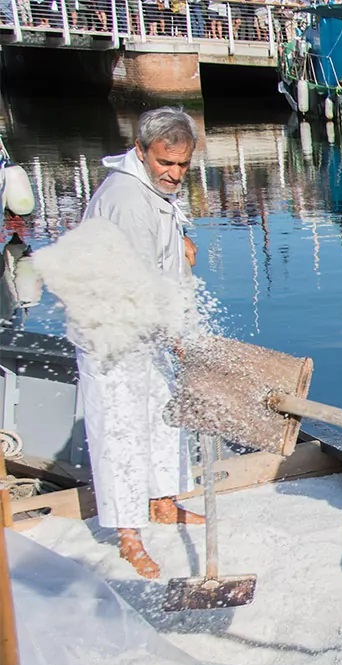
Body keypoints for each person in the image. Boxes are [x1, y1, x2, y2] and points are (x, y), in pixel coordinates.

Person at [78, 107, 204, 578]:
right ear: (141, 152)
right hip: (112, 332)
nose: (174, 174)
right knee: (121, 427)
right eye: (165, 164)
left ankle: (163, 502)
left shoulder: (154, 191)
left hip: (146, 329)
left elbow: (161, 241)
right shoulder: (127, 199)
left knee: (161, 413)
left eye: (182, 165)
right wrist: (177, 335)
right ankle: (127, 533)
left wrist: (181, 242)